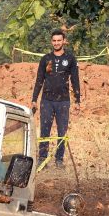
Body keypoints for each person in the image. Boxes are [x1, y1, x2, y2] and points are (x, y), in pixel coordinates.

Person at [31, 29, 81, 169]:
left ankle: (59, 160)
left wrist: (77, 100)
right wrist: (34, 99)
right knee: (44, 130)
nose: (56, 43)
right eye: (54, 40)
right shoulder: (45, 59)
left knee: (62, 131)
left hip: (64, 101)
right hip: (47, 100)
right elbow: (39, 80)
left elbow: (75, 80)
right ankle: (42, 158)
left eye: (59, 40)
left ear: (64, 41)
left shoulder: (70, 59)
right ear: (51, 41)